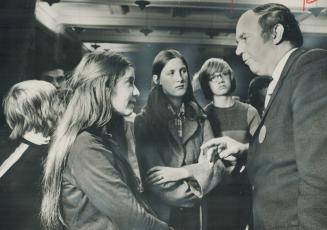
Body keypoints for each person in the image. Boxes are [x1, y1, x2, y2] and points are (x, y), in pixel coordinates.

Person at [202, 3, 327, 229]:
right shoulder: (284, 79)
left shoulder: (310, 68)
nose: (238, 50)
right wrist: (245, 151)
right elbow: (291, 153)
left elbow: (320, 177)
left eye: (244, 38)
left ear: (276, 33)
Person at [41, 51, 171, 230]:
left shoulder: (98, 138)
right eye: (129, 82)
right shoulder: (86, 146)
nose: (137, 91)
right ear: (104, 87)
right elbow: (134, 219)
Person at [135, 49, 228, 230]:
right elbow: (155, 179)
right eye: (171, 73)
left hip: (197, 218)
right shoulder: (144, 121)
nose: (180, 78)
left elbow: (217, 168)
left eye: (183, 71)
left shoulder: (201, 119)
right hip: (160, 216)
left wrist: (182, 172)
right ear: (157, 80)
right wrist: (199, 173)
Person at [197, 58, 260, 230]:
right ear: (206, 84)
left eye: (223, 74)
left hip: (244, 190)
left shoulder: (249, 112)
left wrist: (242, 151)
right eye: (213, 77)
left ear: (231, 77)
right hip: (214, 192)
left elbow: (264, 150)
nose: (219, 79)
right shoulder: (202, 116)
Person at [0, 80, 58, 230]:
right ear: (43, 111)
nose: (62, 105)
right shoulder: (30, 159)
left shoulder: (29, 147)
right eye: (56, 99)